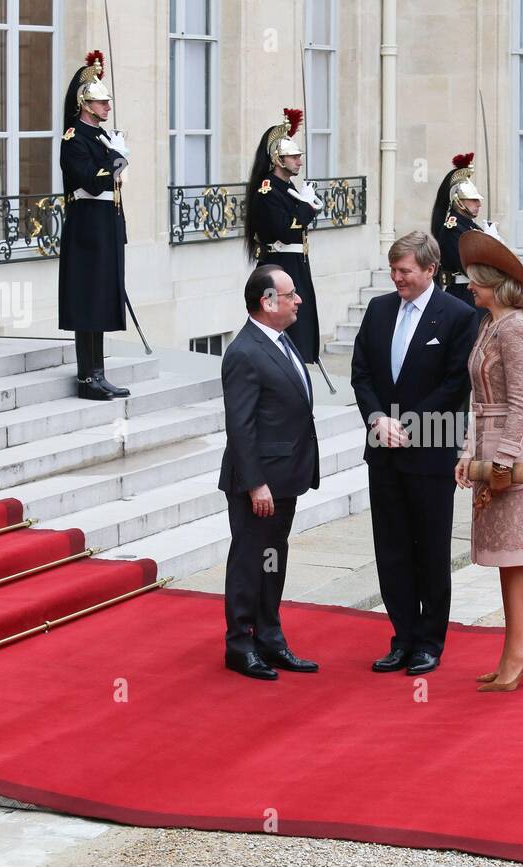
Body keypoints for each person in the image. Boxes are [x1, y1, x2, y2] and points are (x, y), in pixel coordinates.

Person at [350, 232, 478, 676]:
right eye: (393, 270)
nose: (396, 278)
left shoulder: (459, 315)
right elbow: (361, 371)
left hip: (430, 452)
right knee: (392, 548)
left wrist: (406, 424)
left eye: (404, 271)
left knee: (429, 548)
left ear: (429, 270)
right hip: (383, 451)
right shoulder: (379, 309)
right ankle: (402, 637)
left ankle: (428, 641)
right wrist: (376, 419)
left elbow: (454, 385)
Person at [454, 231, 523, 693]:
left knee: (518, 555)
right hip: (488, 443)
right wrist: (470, 452)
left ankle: (519, 651)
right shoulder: (488, 325)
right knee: (504, 558)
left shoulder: (514, 329)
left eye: (474, 280)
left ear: (493, 282)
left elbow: (520, 403)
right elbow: (479, 401)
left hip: (511, 448)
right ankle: (516, 650)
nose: (469, 285)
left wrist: (504, 459)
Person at [218, 265, 321, 681]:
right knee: (249, 561)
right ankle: (240, 643)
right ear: (267, 302)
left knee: (272, 559)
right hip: (258, 483)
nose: (299, 300)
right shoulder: (244, 351)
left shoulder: (280, 340)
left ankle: (270, 637)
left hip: (285, 477)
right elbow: (239, 426)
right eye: (291, 294)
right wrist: (256, 482)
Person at [58, 51, 131, 401]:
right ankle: (87, 377)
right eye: (101, 102)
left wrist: (113, 155)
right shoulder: (74, 139)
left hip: (106, 226)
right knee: (88, 300)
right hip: (87, 227)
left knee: (101, 299)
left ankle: (98, 373)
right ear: (85, 104)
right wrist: (115, 158)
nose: (107, 107)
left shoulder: (101, 138)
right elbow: (93, 182)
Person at [243, 107, 324, 366]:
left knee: (300, 319)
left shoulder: (287, 188)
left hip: (295, 265)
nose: (299, 161)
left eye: (299, 156)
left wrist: (305, 204)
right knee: (281, 321)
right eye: (293, 157)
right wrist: (307, 207)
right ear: (278, 159)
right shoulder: (268, 191)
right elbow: (282, 231)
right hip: (280, 265)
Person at [431, 153, 503, 310]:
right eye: (473, 199)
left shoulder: (470, 226)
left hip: (476, 294)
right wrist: (489, 244)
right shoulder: (452, 229)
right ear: (458, 201)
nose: (479, 204)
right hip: (462, 295)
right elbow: (470, 268)